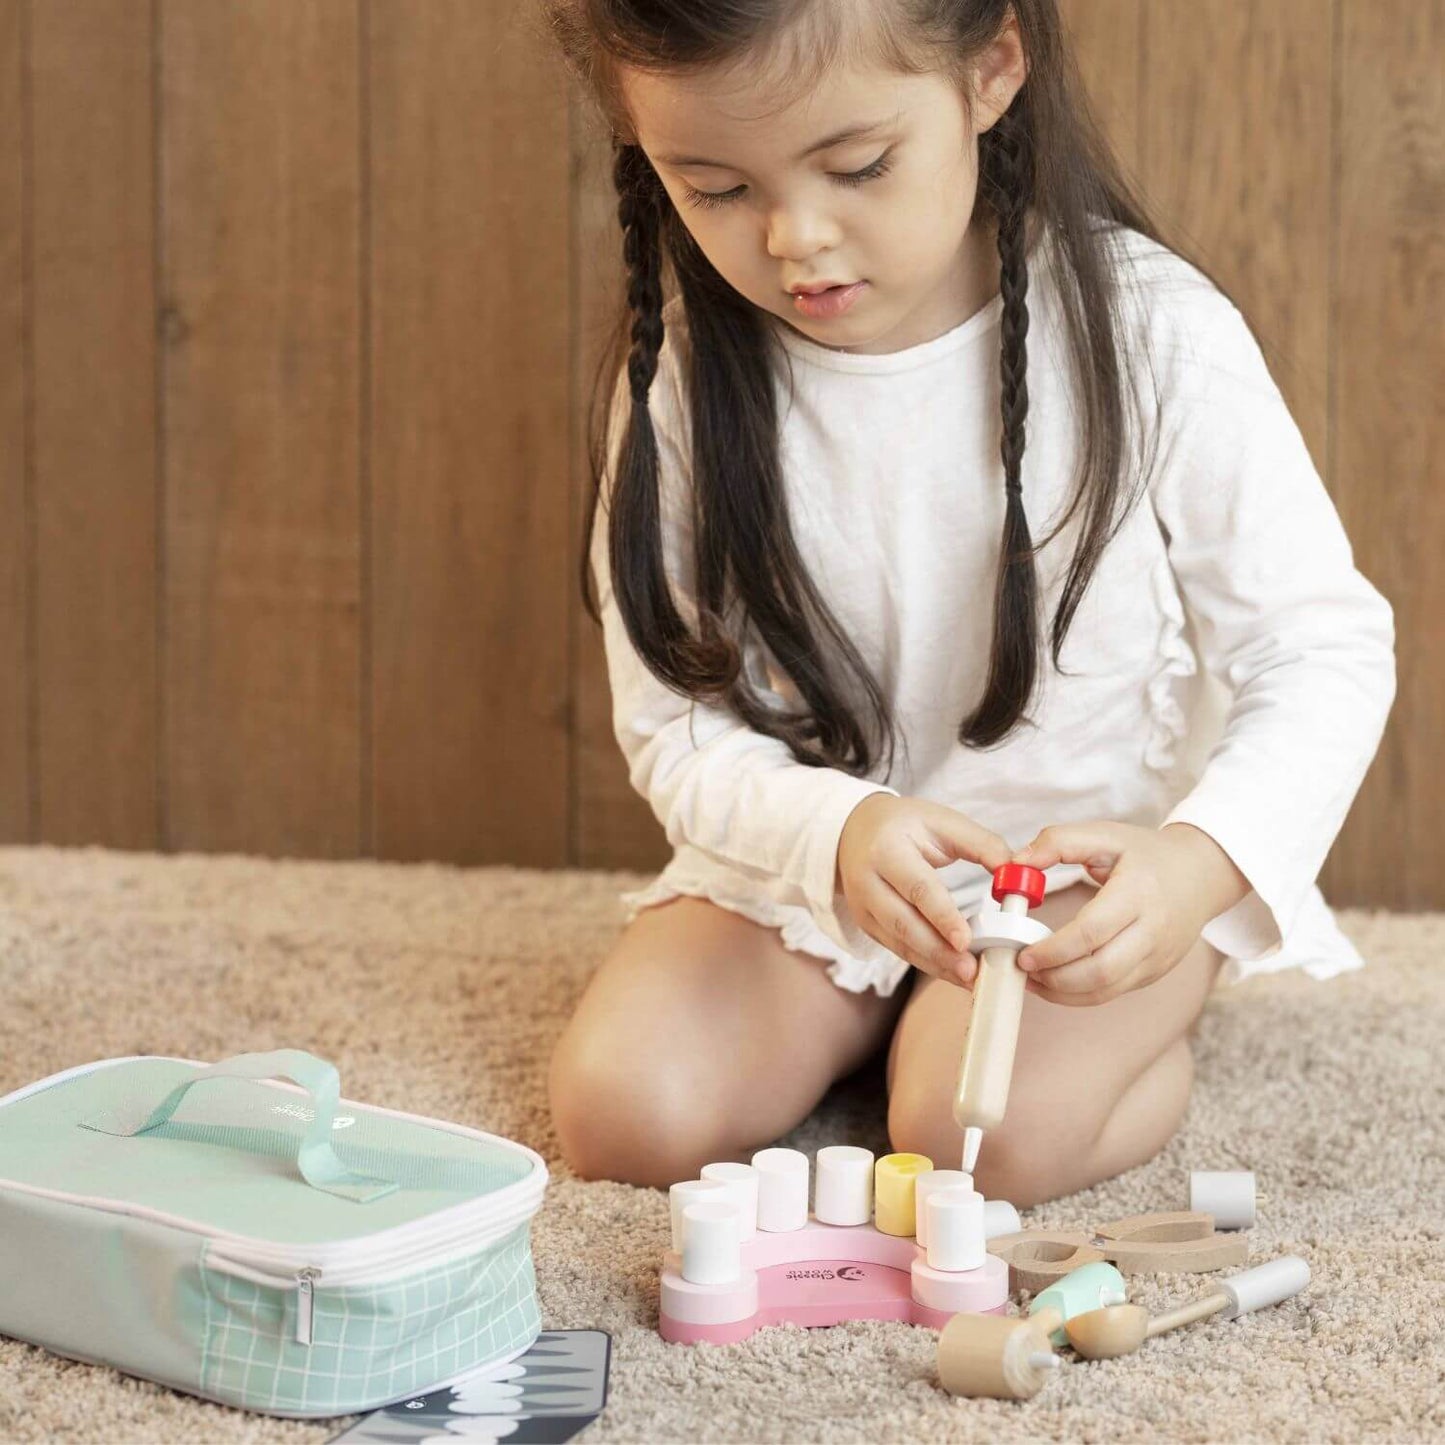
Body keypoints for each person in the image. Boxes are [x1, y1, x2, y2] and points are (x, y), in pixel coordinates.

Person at [541, 0, 1397, 1207]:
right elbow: (676, 725)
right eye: (714, 187)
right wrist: (831, 835)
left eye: (857, 167)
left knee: (972, 1139)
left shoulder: (1154, 336)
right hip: (820, 866)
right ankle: (886, 1018)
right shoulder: (683, 382)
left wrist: (1198, 866)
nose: (796, 238)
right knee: (623, 1113)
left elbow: (1322, 646)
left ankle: (1124, 1031)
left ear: (991, 67)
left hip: (1079, 880)